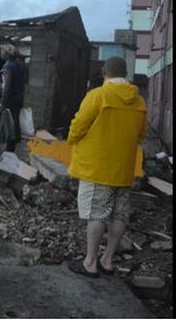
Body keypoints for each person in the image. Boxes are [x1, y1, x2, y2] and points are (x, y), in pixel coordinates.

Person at [66, 57, 147, 278]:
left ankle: (90, 262)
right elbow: (141, 134)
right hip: (123, 169)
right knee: (119, 215)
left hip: (98, 167)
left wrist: (71, 140)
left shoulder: (98, 96)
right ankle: (108, 260)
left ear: (104, 72)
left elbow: (78, 126)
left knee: (97, 215)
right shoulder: (139, 102)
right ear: (127, 73)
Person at [0, 44, 26, 152]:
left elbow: (7, 85)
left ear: (6, 54)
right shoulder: (20, 65)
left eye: (2, 51)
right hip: (18, 97)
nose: (1, 53)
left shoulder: (7, 67)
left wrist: (2, 101)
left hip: (10, 98)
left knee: (8, 123)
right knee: (15, 120)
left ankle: (9, 148)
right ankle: (14, 144)